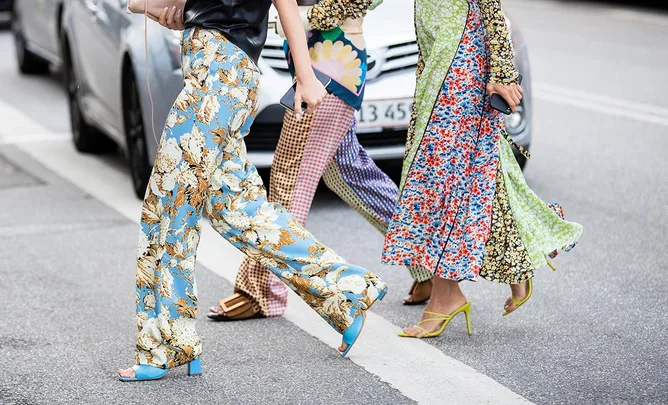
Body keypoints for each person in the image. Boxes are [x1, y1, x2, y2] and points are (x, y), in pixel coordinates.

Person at [117, 0, 387, 381]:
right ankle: (345, 290)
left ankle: (167, 344)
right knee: (239, 211)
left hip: (217, 76)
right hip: (221, 72)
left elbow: (284, 2)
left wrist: (307, 75)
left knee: (166, 209)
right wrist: (173, 8)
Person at [207, 0, 433, 323]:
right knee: (351, 173)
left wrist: (308, 16)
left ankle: (261, 290)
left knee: (290, 176)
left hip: (330, 63)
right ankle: (431, 262)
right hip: (321, 58)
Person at [381, 0, 583, 338]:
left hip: (462, 61)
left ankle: (446, 295)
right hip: (437, 54)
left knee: (449, 176)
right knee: (473, 172)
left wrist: (502, 72)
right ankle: (517, 262)